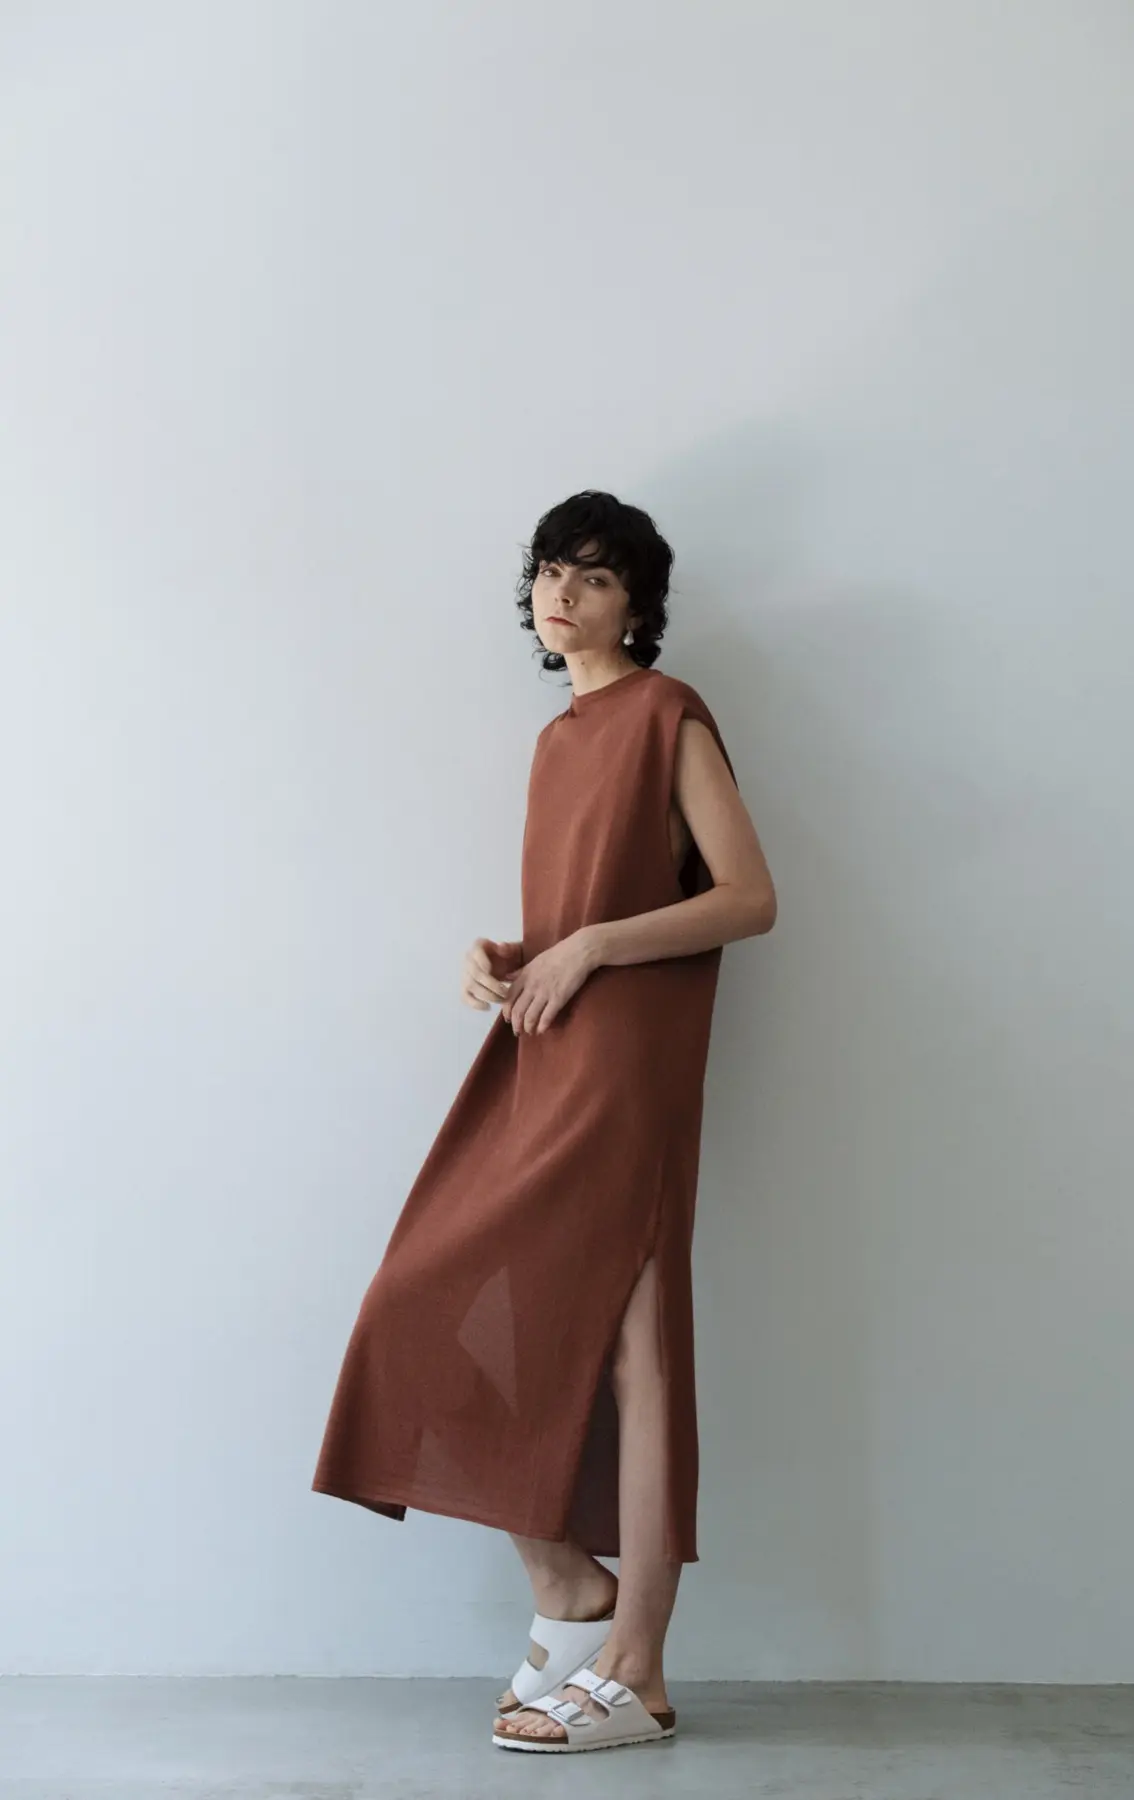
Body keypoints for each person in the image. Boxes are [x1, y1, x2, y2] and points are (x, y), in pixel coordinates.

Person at [312, 490, 777, 1753]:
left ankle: (641, 1671)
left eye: (596, 576)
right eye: (550, 572)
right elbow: (572, 915)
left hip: (626, 1067)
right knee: (422, 1298)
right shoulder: (555, 740)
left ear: (637, 604)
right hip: (546, 1045)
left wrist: (590, 949)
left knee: (637, 1353)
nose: (564, 594)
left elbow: (748, 898)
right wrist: (508, 953)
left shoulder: (668, 714)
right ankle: (572, 1589)